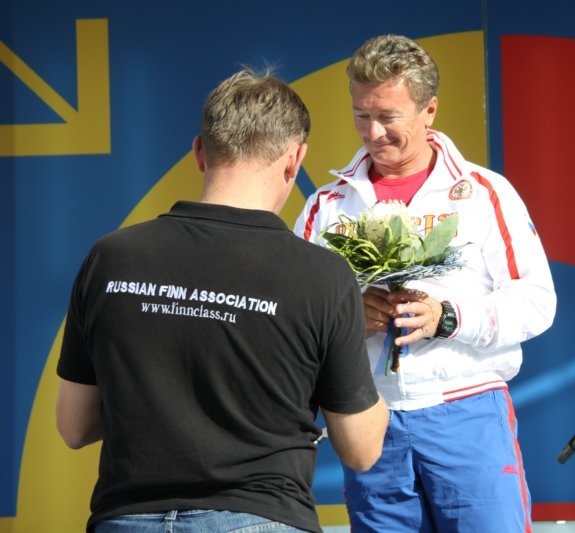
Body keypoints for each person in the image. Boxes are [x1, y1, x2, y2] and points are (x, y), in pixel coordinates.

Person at [56, 67, 388, 533]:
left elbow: (74, 426)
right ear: (295, 159)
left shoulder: (110, 258)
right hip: (262, 516)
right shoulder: (322, 275)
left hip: (125, 517)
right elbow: (361, 448)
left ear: (199, 152)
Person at [293, 34, 557, 532]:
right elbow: (292, 317)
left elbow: (537, 302)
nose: (372, 132)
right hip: (370, 417)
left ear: (429, 109)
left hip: (468, 408)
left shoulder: (484, 193)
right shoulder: (325, 207)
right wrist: (349, 316)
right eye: (360, 114)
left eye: (387, 116)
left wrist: (448, 317)